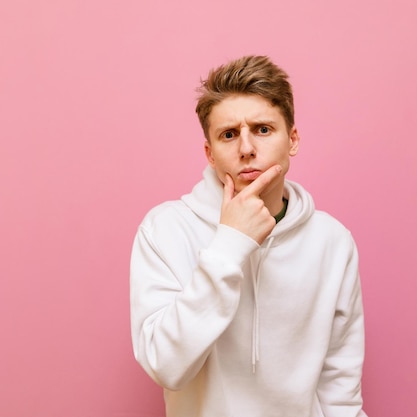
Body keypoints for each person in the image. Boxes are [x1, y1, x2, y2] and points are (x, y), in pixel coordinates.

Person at [130, 55, 368, 417]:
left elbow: (340, 389)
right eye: (229, 134)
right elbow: (165, 366)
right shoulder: (164, 230)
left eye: (262, 129)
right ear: (210, 153)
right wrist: (230, 244)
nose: (246, 148)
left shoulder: (332, 241)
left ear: (293, 139)